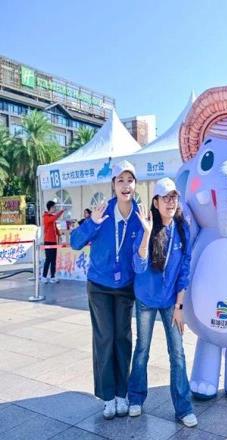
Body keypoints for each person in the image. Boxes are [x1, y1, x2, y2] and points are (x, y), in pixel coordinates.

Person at [70, 160, 142, 420]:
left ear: (135, 185)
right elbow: (75, 242)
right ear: (113, 184)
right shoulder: (103, 212)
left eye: (130, 180)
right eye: (120, 180)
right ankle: (108, 397)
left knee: (123, 338)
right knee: (105, 338)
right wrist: (92, 223)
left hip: (125, 287)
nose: (125, 185)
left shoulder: (139, 216)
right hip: (99, 286)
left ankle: (122, 393)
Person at [127, 178, 197, 427]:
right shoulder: (146, 225)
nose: (170, 202)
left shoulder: (182, 229)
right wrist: (147, 233)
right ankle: (135, 398)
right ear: (155, 202)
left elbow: (184, 269)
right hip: (145, 299)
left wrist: (179, 307)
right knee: (142, 349)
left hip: (170, 302)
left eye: (174, 197)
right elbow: (138, 266)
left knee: (177, 353)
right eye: (165, 197)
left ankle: (183, 409)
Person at [42, 201, 64, 283]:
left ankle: (52, 276)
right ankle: (44, 276)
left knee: (53, 260)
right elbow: (54, 218)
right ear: (50, 208)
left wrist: (59, 235)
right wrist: (61, 211)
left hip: (54, 242)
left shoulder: (51, 217)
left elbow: (55, 227)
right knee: (48, 259)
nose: (55, 208)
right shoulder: (46, 217)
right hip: (48, 241)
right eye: (54, 207)